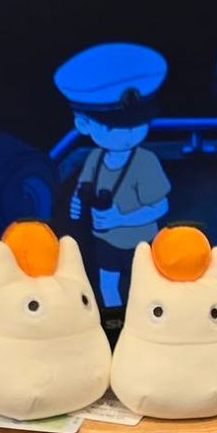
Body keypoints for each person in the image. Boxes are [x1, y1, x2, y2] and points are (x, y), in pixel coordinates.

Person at [54, 42, 173, 307]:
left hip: (143, 242)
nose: (128, 134)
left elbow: (160, 206)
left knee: (146, 289)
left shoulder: (146, 161)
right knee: (108, 288)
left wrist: (121, 218)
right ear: (83, 124)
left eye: (137, 124)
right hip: (106, 241)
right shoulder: (94, 158)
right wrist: (78, 203)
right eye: (113, 127)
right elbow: (83, 187)